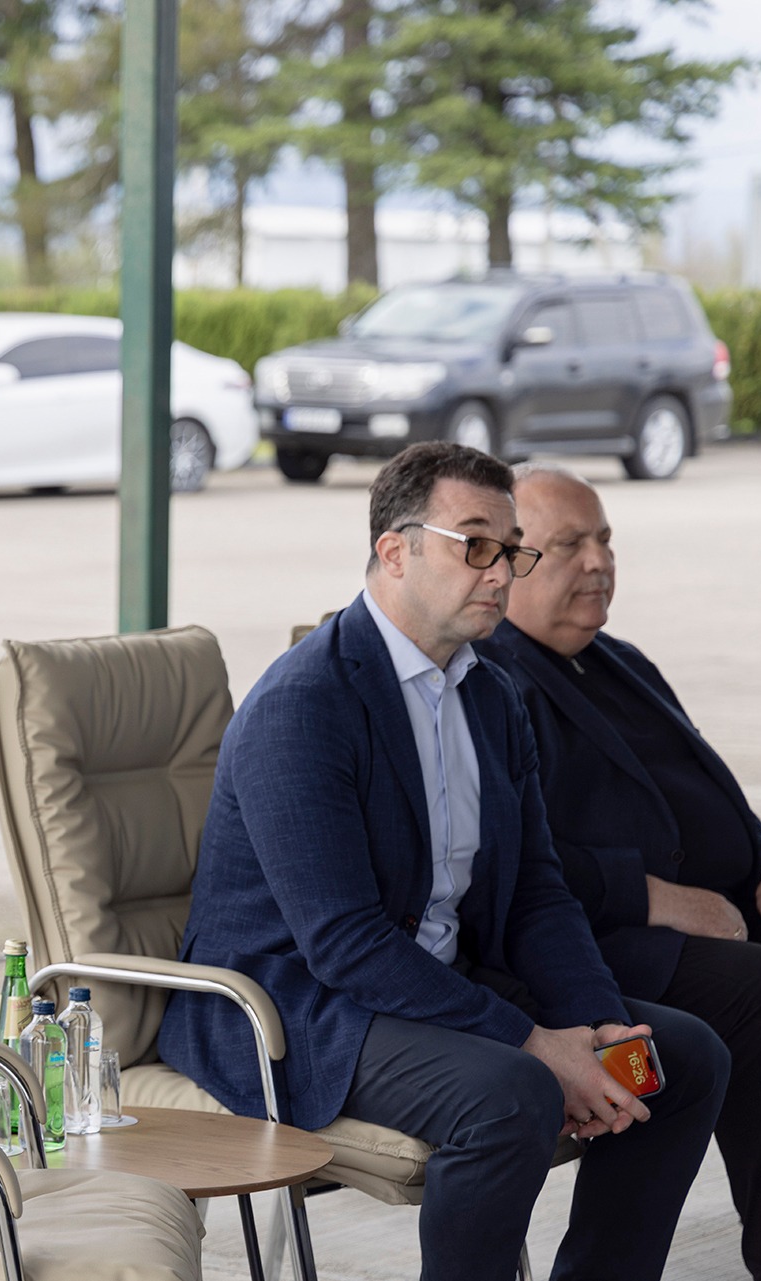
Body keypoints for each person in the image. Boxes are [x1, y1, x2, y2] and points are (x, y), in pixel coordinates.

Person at [156, 442, 728, 1281]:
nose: (500, 572)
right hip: (295, 1009)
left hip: (434, 983)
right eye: (476, 544)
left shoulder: (491, 694)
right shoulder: (304, 705)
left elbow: (535, 890)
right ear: (396, 550)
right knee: (512, 1093)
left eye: (511, 550)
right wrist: (536, 1042)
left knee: (677, 1060)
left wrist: (598, 1021)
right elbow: (345, 943)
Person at [480, 462, 761, 1281]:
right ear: (513, 561)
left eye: (605, 540)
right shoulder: (491, 679)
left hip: (733, 914)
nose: (598, 562)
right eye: (570, 545)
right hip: (604, 943)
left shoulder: (621, 659)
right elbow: (508, 861)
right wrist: (653, 897)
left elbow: (720, 792)